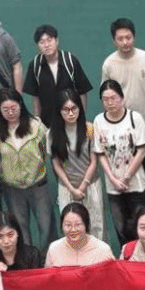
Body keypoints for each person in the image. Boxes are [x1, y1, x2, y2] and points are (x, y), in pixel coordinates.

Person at [92, 79, 145, 248]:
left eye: (113, 98)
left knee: (142, 227)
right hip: (113, 187)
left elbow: (142, 151)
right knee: (121, 229)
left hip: (137, 184)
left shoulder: (135, 118)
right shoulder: (98, 121)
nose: (110, 103)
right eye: (105, 99)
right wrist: (113, 179)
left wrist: (126, 177)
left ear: (122, 98)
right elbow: (100, 154)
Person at [0, 88, 54, 253]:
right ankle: (27, 261)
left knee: (46, 226)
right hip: (12, 189)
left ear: (21, 105)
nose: (10, 113)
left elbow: (46, 150)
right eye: (5, 109)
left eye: (13, 108)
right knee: (20, 230)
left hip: (38, 185)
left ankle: (48, 261)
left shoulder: (36, 126)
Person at [49, 89, 105, 243]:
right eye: (66, 110)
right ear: (59, 111)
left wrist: (83, 186)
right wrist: (72, 189)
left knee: (96, 226)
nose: (71, 113)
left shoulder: (90, 129)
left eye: (74, 108)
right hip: (67, 187)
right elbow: (56, 165)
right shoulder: (52, 134)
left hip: (90, 184)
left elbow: (94, 161)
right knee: (70, 228)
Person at [22, 23, 92, 126]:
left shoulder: (70, 61)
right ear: (38, 46)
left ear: (57, 41)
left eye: (49, 40)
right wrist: (38, 121)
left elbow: (82, 92)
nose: (46, 45)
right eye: (42, 42)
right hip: (47, 122)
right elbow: (35, 97)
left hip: (71, 120)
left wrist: (81, 117)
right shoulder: (35, 65)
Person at [101, 17, 145, 122]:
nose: (125, 42)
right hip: (121, 121)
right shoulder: (109, 64)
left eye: (128, 37)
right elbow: (107, 93)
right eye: (120, 39)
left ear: (134, 37)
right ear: (114, 41)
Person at [45, 202, 116, 267]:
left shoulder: (102, 250)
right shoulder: (54, 249)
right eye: (68, 225)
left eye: (78, 224)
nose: (73, 230)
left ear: (86, 225)